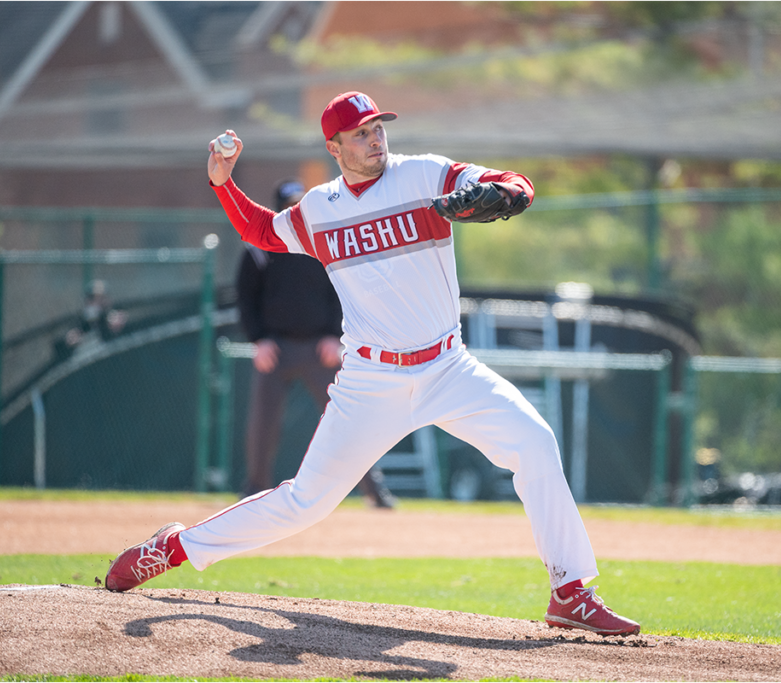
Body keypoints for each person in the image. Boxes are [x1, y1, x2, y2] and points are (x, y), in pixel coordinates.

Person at [105, 91, 640, 636]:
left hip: (448, 368)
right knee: (305, 503)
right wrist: (223, 184)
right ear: (334, 146)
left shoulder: (425, 176)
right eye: (361, 132)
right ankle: (174, 548)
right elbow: (261, 232)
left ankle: (570, 591)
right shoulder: (320, 208)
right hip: (371, 381)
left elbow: (516, 183)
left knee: (535, 442)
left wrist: (502, 194)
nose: (375, 137)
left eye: (378, 126)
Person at [237, 178, 395, 507]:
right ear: (277, 209)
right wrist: (259, 340)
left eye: (299, 204)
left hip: (320, 350)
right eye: (288, 204)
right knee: (262, 424)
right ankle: (254, 490)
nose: (294, 210)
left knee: (347, 420)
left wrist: (335, 336)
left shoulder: (324, 243)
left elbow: (346, 290)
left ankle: (374, 491)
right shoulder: (258, 247)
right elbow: (245, 299)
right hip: (275, 349)